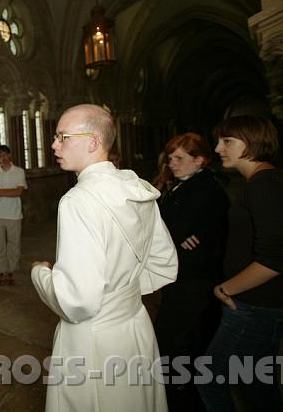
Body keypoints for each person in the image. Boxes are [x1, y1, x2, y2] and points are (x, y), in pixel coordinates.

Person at [31, 104, 177, 412]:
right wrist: (121, 295)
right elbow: (164, 263)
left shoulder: (78, 200)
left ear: (93, 142)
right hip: (135, 326)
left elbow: (77, 301)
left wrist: (41, 274)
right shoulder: (137, 188)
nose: (54, 145)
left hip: (93, 340)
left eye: (62, 136)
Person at [198, 116, 283, 411]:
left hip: (257, 306)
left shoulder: (264, 185)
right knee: (257, 383)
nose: (218, 148)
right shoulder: (270, 179)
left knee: (210, 379)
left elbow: (274, 260)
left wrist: (225, 288)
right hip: (269, 302)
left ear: (254, 141)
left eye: (227, 141)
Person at [154, 133, 229, 407]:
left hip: (195, 282)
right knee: (178, 344)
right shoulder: (185, 186)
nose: (172, 163)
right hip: (184, 279)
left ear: (199, 161)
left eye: (179, 158)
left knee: (179, 345)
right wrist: (175, 233)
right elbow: (160, 221)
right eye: (170, 157)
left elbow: (160, 225)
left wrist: (172, 231)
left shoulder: (204, 188)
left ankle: (183, 401)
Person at [0, 145, 27, 286]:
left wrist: (3, 192)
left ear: (10, 155)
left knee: (14, 245)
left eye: (4, 155)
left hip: (14, 215)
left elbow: (19, 192)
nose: (2, 158)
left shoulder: (19, 172)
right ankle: (1, 271)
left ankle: (11, 270)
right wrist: (12, 190)